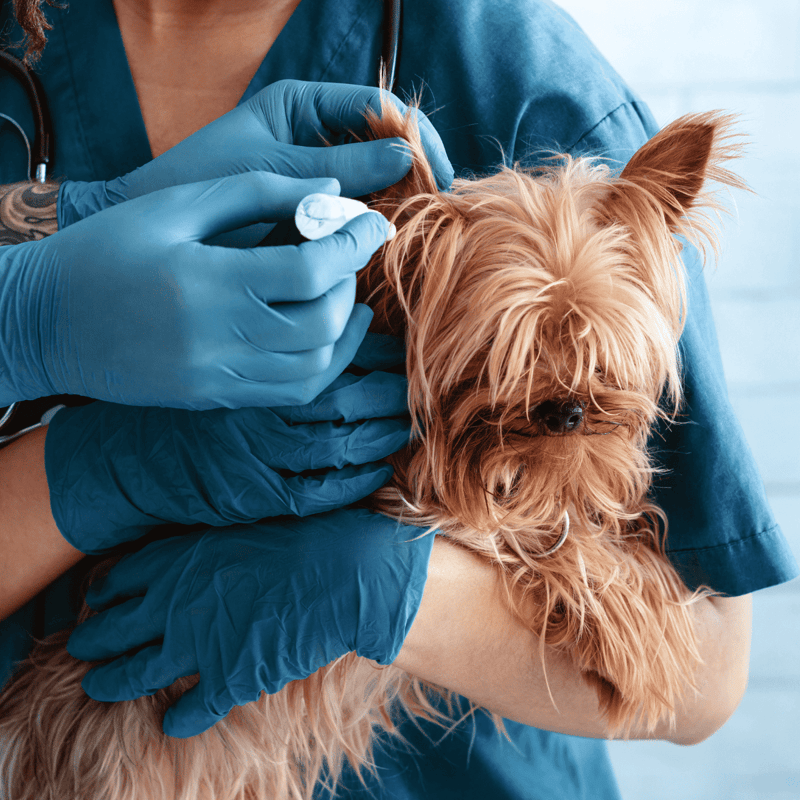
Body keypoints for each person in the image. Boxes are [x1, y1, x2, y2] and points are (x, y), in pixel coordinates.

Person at [0, 1, 796, 799]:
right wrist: (94, 460)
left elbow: (705, 675)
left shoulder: (511, 69)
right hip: (74, 745)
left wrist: (392, 592)